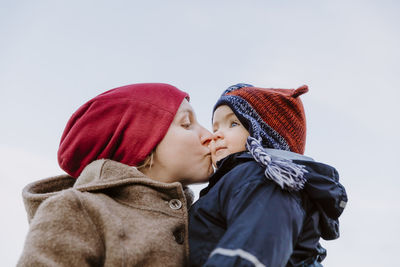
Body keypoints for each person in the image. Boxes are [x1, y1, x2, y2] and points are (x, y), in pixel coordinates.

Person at [18, 83, 213, 267]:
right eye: (187, 124)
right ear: (140, 141)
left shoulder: (206, 214)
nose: (209, 136)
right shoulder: (76, 210)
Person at [189, 83, 348, 266]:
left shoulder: (265, 180)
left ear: (264, 136)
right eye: (215, 128)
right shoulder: (236, 181)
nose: (215, 135)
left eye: (233, 123)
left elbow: (250, 255)